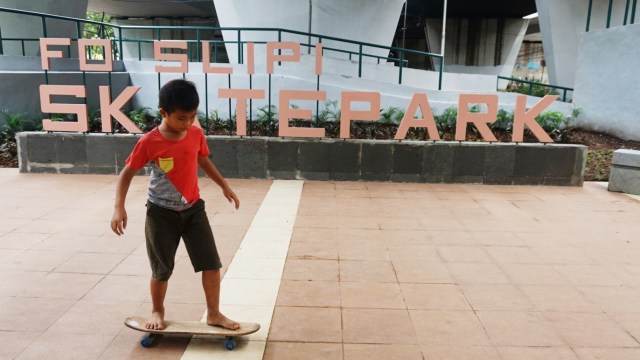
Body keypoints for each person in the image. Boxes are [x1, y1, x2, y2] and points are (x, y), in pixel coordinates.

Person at [110, 79, 240, 331]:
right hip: (161, 214)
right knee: (161, 269)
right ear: (163, 113)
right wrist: (119, 207)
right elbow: (126, 173)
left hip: (194, 210)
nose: (188, 123)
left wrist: (225, 186)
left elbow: (203, 161)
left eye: (193, 116)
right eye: (182, 118)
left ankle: (214, 313)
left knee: (211, 264)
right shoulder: (149, 141)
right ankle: (157, 311)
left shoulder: (196, 134)